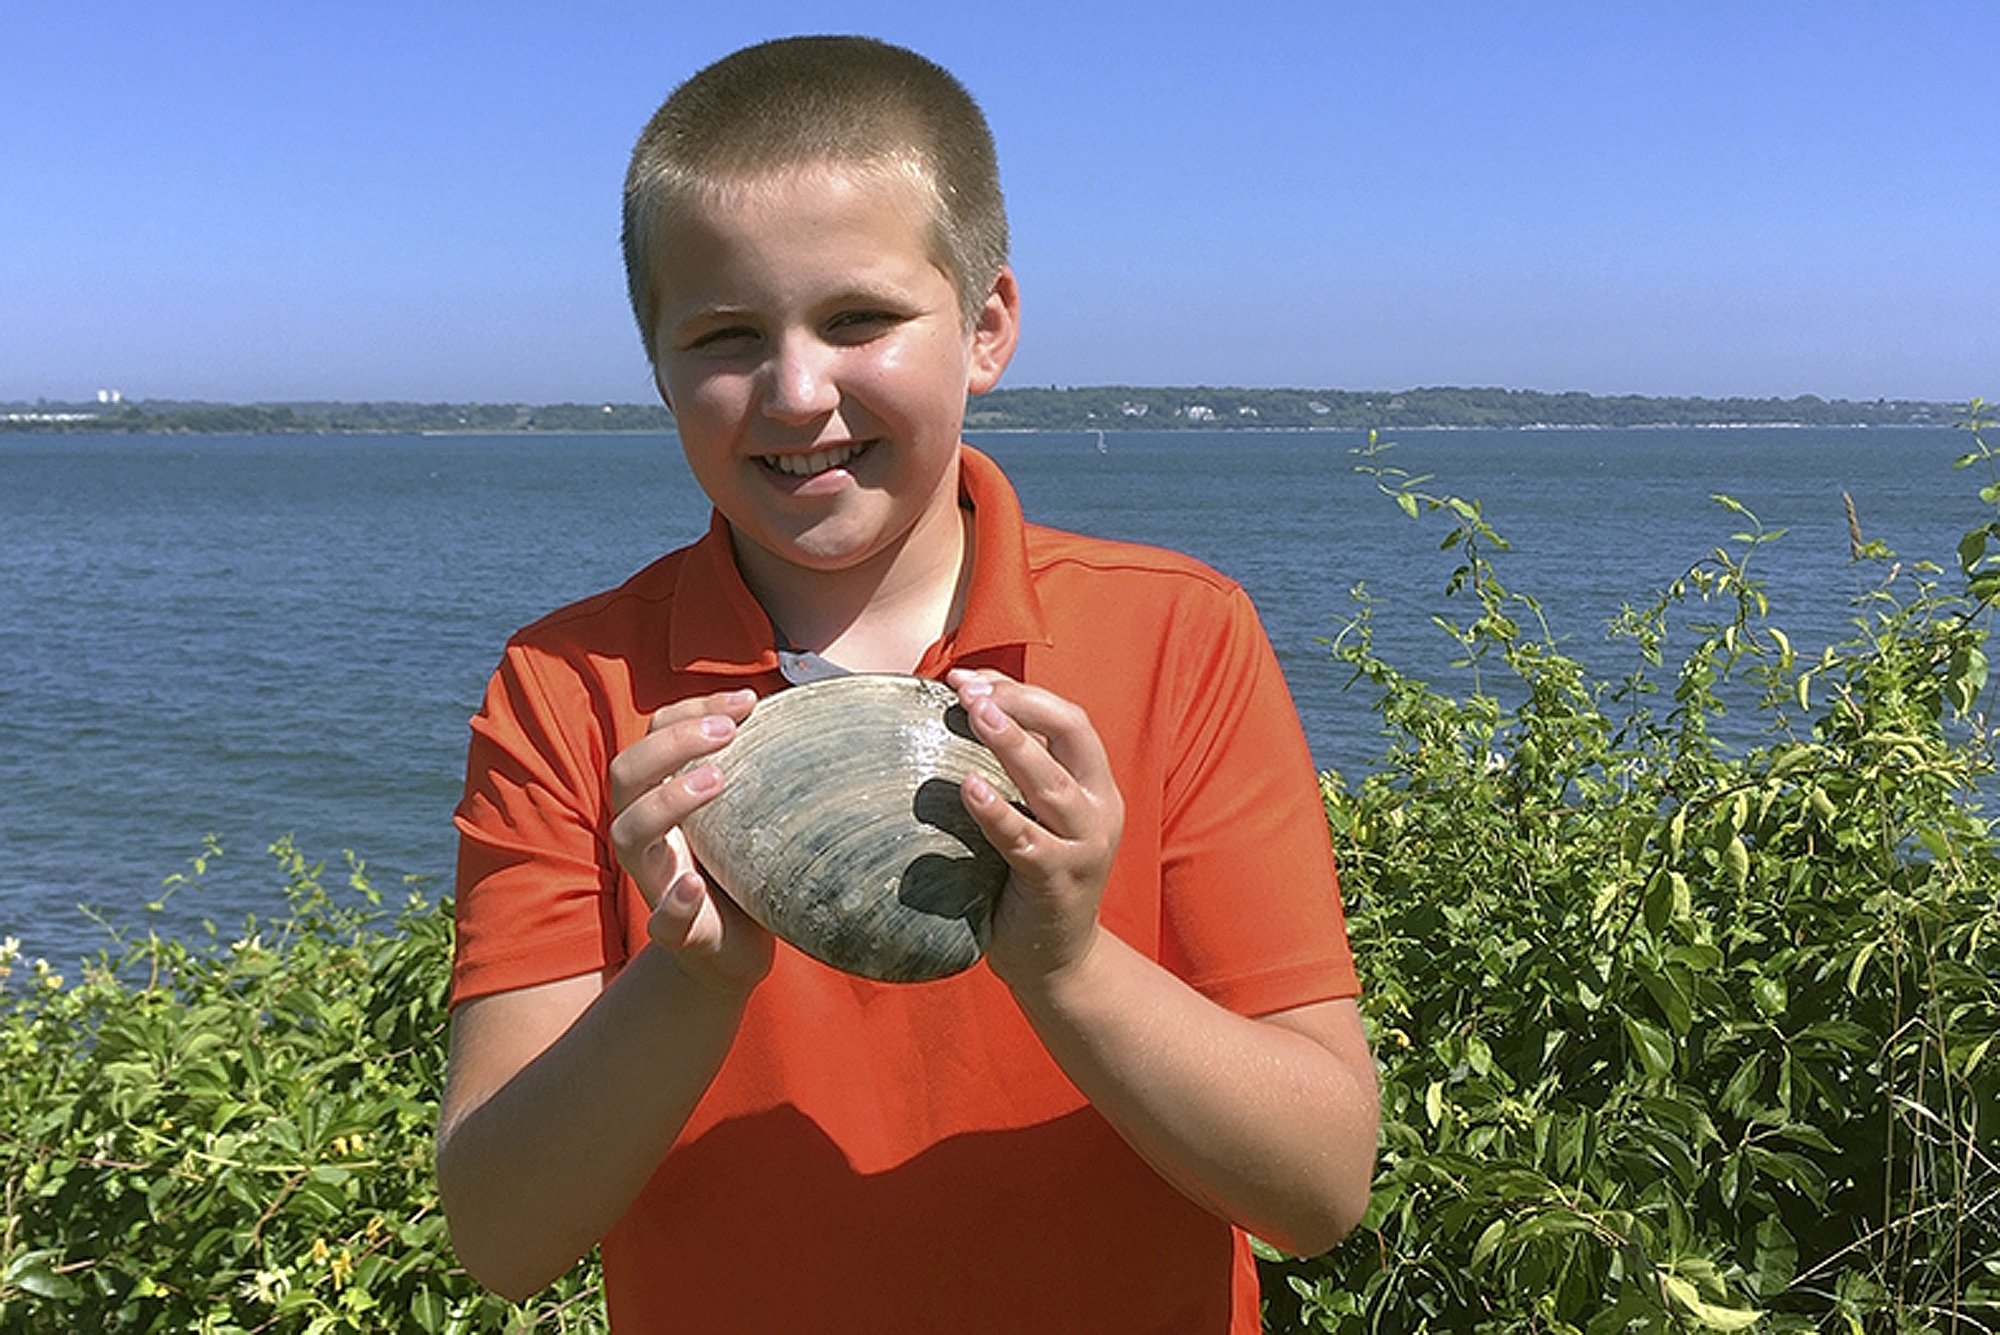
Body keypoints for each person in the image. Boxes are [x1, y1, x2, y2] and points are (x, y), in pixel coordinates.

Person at [436, 34, 1378, 1333]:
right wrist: (688, 979)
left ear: (986, 326)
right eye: (723, 334)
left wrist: (1067, 969)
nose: (795, 391)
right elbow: (501, 1234)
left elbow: (1319, 1185)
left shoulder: (1179, 635)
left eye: (859, 319)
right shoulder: (569, 688)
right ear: (655, 361)